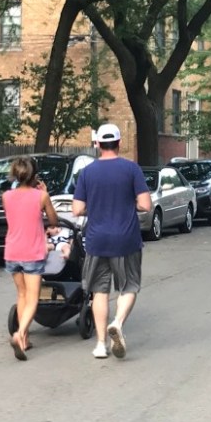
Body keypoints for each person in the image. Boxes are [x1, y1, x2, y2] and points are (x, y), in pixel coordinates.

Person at [72, 123, 151, 360]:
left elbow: (77, 209)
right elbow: (145, 205)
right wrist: (128, 204)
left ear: (97, 144)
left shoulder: (87, 172)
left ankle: (100, 345)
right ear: (119, 143)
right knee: (129, 286)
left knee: (99, 291)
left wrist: (96, 207)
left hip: (97, 240)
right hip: (126, 240)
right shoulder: (131, 169)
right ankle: (117, 322)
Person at [2, 156, 59, 360]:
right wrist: (45, 194)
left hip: (12, 251)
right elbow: (53, 221)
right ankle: (19, 334)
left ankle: (25, 340)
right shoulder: (41, 196)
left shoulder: (6, 196)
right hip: (32, 252)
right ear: (34, 175)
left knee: (22, 295)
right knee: (33, 298)